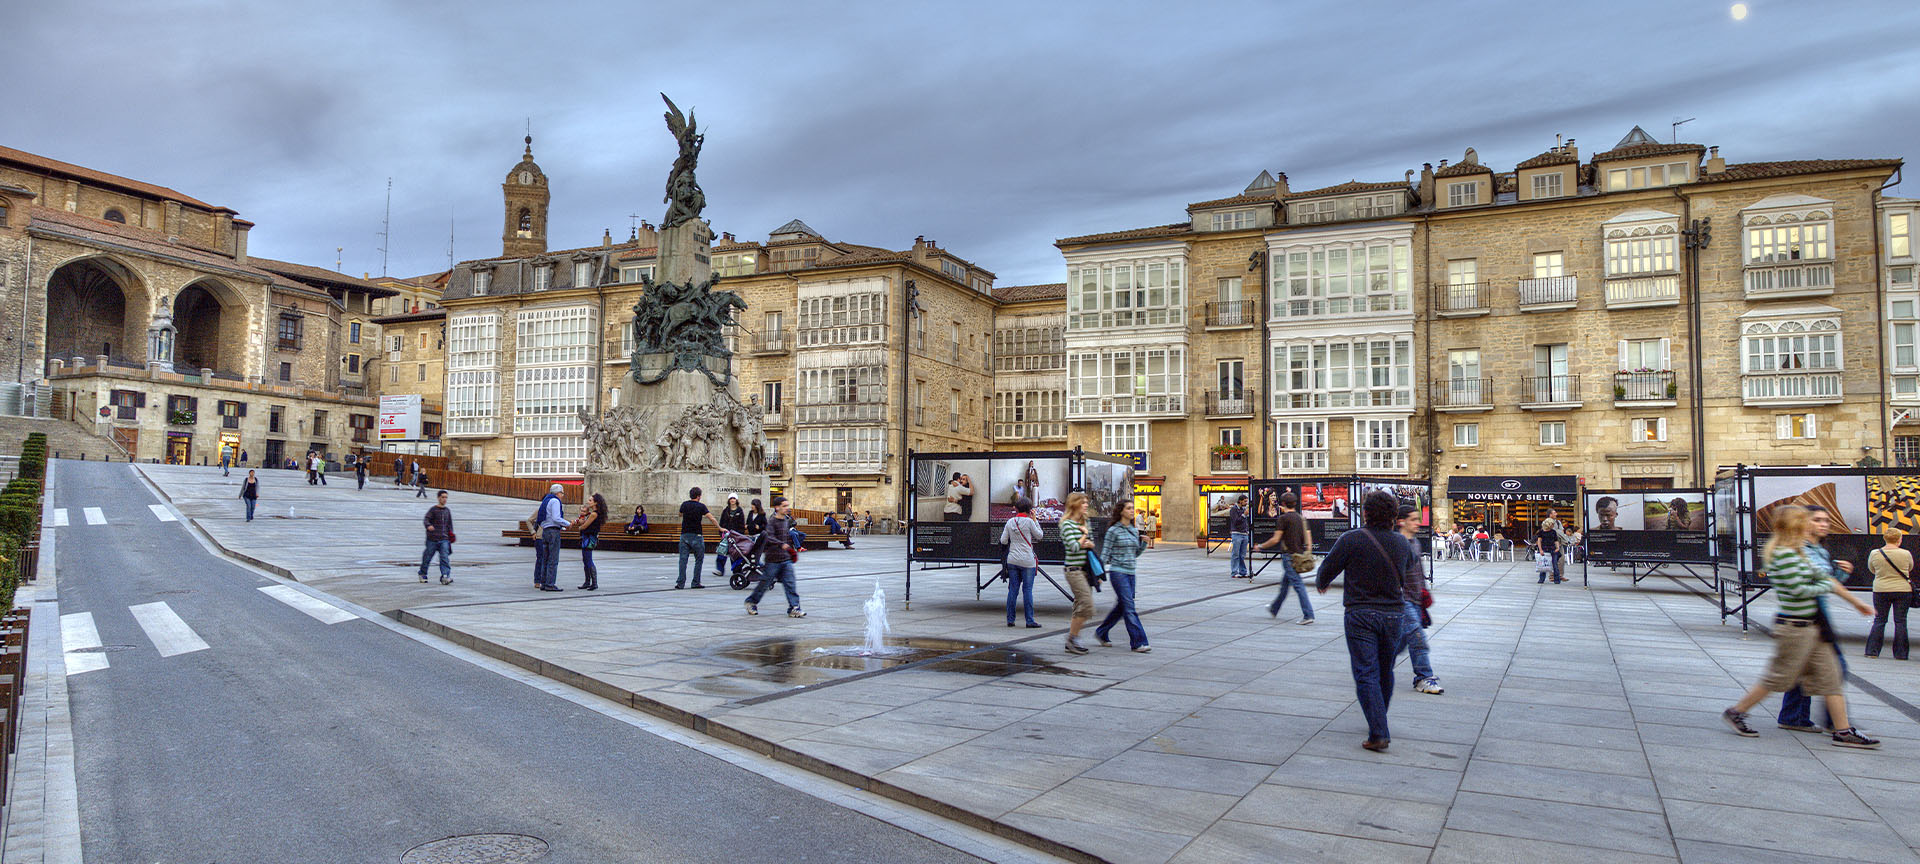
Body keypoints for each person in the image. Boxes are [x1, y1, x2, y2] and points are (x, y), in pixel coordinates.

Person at [1721, 505, 1878, 748]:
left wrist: (1856, 602)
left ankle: (1843, 731)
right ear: (1795, 524)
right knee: (1778, 678)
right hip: (1795, 627)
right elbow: (1798, 589)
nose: (1812, 525)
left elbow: (1824, 577)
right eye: (1807, 521)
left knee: (1832, 677)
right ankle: (1736, 712)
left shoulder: (1800, 552)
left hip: (1814, 626)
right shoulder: (1783, 554)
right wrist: (1826, 586)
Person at [1315, 490, 1420, 752]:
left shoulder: (1352, 538)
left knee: (1366, 672)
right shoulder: (1401, 543)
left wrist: (1323, 583)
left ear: (1366, 513)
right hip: (1394, 614)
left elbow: (1327, 569)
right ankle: (1378, 718)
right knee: (1386, 670)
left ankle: (1378, 731)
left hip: (1361, 614)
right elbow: (1409, 567)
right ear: (1394, 516)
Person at [1777, 505, 1857, 732]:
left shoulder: (1819, 550)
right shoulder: (1799, 549)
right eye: (1818, 520)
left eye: (1826, 520)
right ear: (1804, 522)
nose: (1824, 524)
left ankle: (1794, 717)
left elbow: (1827, 584)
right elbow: (1814, 581)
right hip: (1808, 616)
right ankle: (1837, 723)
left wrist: (1842, 573)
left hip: (1817, 614)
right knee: (1835, 668)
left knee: (1803, 670)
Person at [1397, 504, 1443, 694]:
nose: (1419, 523)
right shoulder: (1396, 543)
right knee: (1417, 637)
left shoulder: (1415, 543)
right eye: (1414, 519)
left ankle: (1377, 668)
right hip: (1402, 599)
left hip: (1416, 598)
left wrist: (1423, 592)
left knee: (1400, 641)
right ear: (1402, 522)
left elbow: (1418, 571)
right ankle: (1424, 677)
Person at [1094, 499, 1150, 653]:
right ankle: (1138, 642)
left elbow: (1135, 553)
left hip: (1131, 573)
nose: (1132, 511)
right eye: (1129, 508)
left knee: (1122, 606)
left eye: (1133, 508)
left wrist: (1144, 544)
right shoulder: (1113, 531)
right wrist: (1099, 574)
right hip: (1118, 573)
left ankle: (1102, 632)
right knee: (1129, 607)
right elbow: (1105, 553)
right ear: (1121, 511)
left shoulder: (1133, 529)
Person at [1256, 491, 1313, 624]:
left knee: (1298, 586)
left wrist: (1261, 546)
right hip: (1299, 556)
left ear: (1283, 504)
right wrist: (1307, 553)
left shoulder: (1283, 519)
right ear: (1295, 503)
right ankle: (1274, 608)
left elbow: (1276, 539)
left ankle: (1308, 614)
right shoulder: (1301, 518)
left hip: (1289, 557)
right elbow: (1308, 539)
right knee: (1284, 585)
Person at [745, 496, 804, 617]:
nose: (787, 508)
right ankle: (751, 601)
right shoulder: (772, 521)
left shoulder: (786, 521)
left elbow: (787, 537)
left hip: (785, 559)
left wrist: (791, 551)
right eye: (784, 506)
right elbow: (769, 537)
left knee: (790, 583)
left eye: (787, 506)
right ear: (777, 507)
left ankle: (794, 607)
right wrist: (782, 545)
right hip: (773, 559)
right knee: (764, 583)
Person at [1865, 528, 1913, 660]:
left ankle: (1872, 651)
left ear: (1885, 539)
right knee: (1900, 621)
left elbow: (1872, 569)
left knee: (1880, 620)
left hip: (1881, 590)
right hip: (1903, 590)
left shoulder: (1875, 553)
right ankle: (1901, 654)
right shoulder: (1906, 553)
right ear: (1899, 539)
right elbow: (1910, 568)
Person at [1059, 492, 1095, 654]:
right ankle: (1072, 637)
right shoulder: (1066, 524)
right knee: (1087, 605)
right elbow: (1073, 547)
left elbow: (1091, 545)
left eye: (1087, 502)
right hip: (1073, 571)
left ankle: (1073, 640)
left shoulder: (1085, 522)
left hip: (1086, 570)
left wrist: (1087, 541)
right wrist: (1084, 536)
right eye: (1083, 503)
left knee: (1080, 605)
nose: (1086, 505)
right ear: (1074, 504)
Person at [1001, 496, 1043, 629]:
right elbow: (1039, 536)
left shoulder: (1010, 522)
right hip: (1027, 561)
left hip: (1012, 560)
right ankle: (1029, 620)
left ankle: (1010, 619)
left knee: (1013, 590)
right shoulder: (1030, 522)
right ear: (1029, 510)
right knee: (1027, 590)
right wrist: (1035, 521)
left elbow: (1003, 540)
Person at [676, 486, 718, 589]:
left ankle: (680, 583)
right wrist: (720, 528)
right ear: (699, 496)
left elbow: (680, 514)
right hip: (696, 535)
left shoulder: (684, 505)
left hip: (684, 534)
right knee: (698, 559)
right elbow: (711, 518)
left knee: (683, 560)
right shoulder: (701, 506)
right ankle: (695, 582)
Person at [532, 483, 567, 592]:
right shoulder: (555, 501)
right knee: (553, 558)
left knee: (545, 558)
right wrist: (567, 523)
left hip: (545, 531)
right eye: (562, 493)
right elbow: (556, 518)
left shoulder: (546, 501)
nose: (562, 495)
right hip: (553, 531)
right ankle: (550, 584)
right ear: (557, 493)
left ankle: (543, 582)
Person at [570, 492, 607, 591]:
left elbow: (585, 525)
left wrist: (579, 527)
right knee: (585, 559)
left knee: (588, 559)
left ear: (596, 503)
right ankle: (587, 581)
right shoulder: (593, 513)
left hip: (589, 538)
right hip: (587, 537)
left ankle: (593, 583)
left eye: (590, 500)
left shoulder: (594, 514)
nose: (588, 502)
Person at [419, 490, 454, 585]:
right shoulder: (433, 510)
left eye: (446, 497)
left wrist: (451, 535)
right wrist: (428, 526)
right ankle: (423, 573)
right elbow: (426, 520)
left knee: (444, 558)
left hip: (444, 539)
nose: (444, 499)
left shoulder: (447, 511)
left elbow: (449, 524)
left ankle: (445, 576)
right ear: (438, 498)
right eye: (443, 497)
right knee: (427, 557)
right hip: (432, 539)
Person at [715, 494, 747, 582]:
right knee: (722, 551)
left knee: (734, 553)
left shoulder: (739, 511)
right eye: (731, 498)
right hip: (726, 534)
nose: (732, 500)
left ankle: (735, 570)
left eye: (734, 498)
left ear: (736, 500)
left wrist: (740, 534)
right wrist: (721, 532)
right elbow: (722, 522)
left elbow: (741, 524)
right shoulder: (726, 510)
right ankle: (720, 569)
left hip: (735, 535)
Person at [1227, 494, 1252, 579]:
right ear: (1240, 501)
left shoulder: (1243, 509)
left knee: (1242, 555)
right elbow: (1235, 521)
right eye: (1245, 501)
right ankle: (1234, 572)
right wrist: (1244, 515)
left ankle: (1243, 571)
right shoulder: (1234, 509)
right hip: (1237, 534)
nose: (1246, 503)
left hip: (1244, 534)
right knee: (1236, 554)